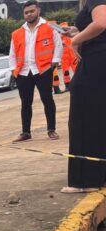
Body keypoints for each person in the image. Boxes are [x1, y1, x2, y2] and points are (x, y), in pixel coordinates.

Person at [60, 0, 106, 193]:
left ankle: (86, 181)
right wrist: (77, 31)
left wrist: (75, 40)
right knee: (97, 118)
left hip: (95, 61)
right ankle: (98, 176)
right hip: (98, 61)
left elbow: (101, 23)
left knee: (83, 119)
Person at [8, 0, 64, 143]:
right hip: (23, 72)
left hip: (43, 70)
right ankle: (26, 132)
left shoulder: (49, 28)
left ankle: (51, 130)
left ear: (38, 10)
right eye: (26, 12)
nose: (29, 14)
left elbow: (58, 45)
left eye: (32, 11)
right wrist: (13, 70)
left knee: (47, 99)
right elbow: (12, 54)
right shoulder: (17, 33)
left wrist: (55, 61)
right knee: (25, 103)